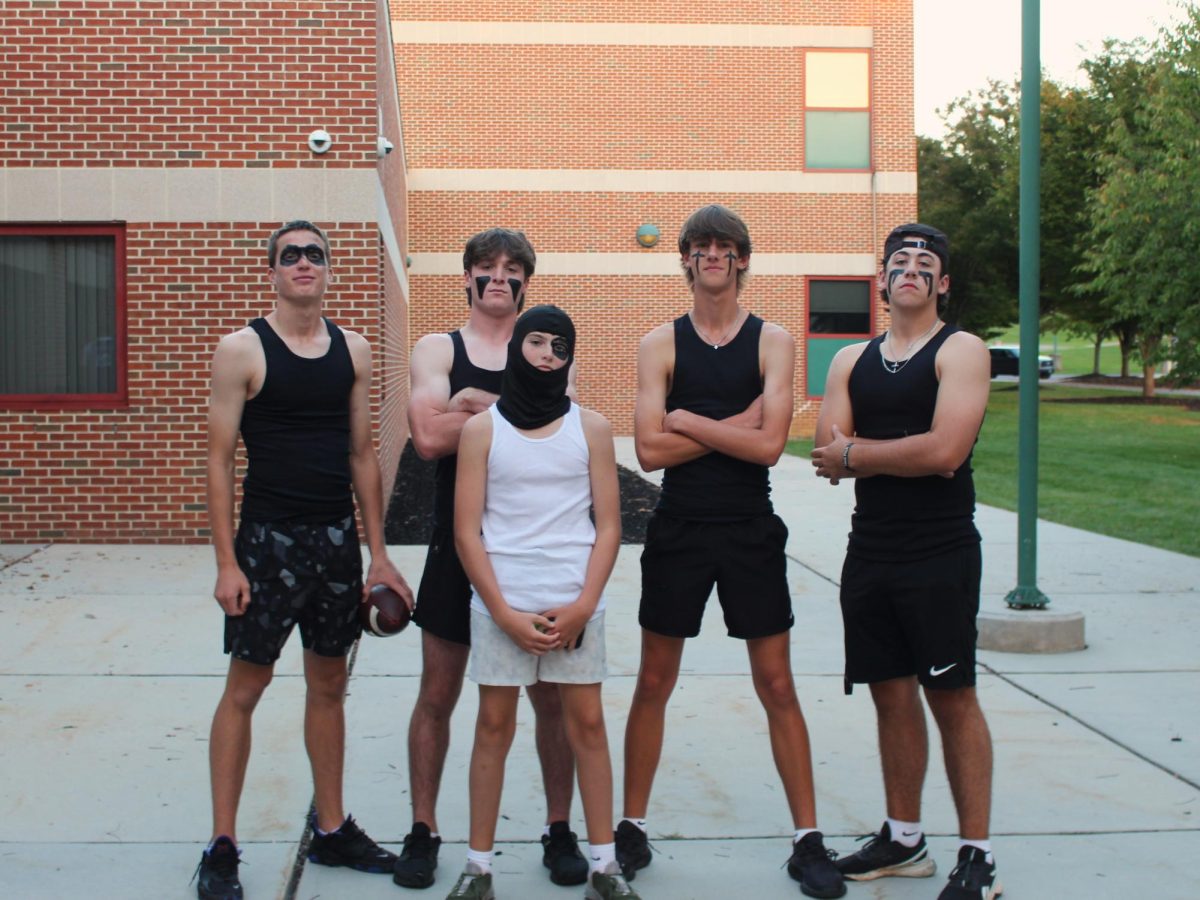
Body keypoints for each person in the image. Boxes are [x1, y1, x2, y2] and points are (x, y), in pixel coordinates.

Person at [618, 204, 845, 899]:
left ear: (743, 259)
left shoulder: (772, 341)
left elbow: (771, 447)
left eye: (725, 246)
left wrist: (685, 417)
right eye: (700, 246)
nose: (713, 255)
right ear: (684, 259)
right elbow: (650, 453)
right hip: (680, 526)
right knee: (654, 682)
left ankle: (808, 839)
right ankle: (630, 826)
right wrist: (732, 422)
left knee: (776, 684)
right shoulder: (659, 343)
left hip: (749, 526)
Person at [197, 221, 414, 900]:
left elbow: (361, 457)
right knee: (246, 690)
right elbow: (218, 460)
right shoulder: (241, 350)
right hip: (267, 544)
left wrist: (376, 553)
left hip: (332, 545)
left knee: (328, 688)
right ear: (272, 271)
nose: (302, 263)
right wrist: (227, 563)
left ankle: (330, 829)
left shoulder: (353, 349)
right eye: (289, 255)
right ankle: (223, 844)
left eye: (313, 255)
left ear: (327, 270)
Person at [810, 223, 1000, 900]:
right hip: (871, 552)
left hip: (940, 552)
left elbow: (946, 451)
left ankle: (976, 855)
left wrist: (860, 454)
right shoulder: (849, 361)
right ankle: (904, 838)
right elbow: (822, 450)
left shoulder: (963, 351)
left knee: (951, 697)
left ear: (942, 284)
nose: (912, 269)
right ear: (883, 280)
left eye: (926, 263)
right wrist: (868, 454)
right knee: (890, 695)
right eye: (900, 261)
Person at [398, 229, 586, 890]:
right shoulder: (437, 348)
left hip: (537, 552)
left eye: (512, 269)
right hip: (460, 548)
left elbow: (560, 438)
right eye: (486, 268)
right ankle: (422, 830)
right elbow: (425, 436)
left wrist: (473, 406)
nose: (499, 278)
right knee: (439, 694)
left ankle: (559, 829)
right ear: (468, 278)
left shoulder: (548, 344)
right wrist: (502, 412)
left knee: (551, 702)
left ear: (526, 282)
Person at [447, 304, 640, 900]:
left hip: (574, 604)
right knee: (493, 727)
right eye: (536, 341)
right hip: (500, 606)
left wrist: (585, 603)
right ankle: (478, 869)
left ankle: (604, 867)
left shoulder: (593, 428)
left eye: (560, 346)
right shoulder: (483, 430)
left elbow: (609, 527)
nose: (547, 354)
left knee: (586, 724)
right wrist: (502, 612)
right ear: (516, 350)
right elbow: (466, 531)